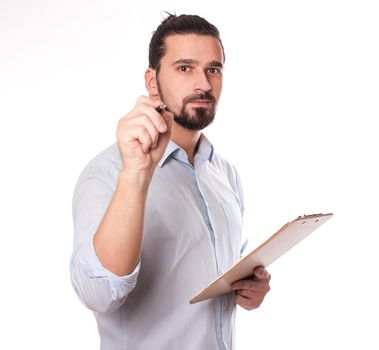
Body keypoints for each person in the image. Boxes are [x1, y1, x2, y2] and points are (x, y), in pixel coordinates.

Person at [70, 13, 271, 350]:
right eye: (184, 68)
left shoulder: (225, 173)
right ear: (152, 81)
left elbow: (222, 272)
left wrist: (250, 287)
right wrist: (137, 174)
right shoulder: (106, 173)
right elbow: (99, 294)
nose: (204, 85)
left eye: (213, 69)